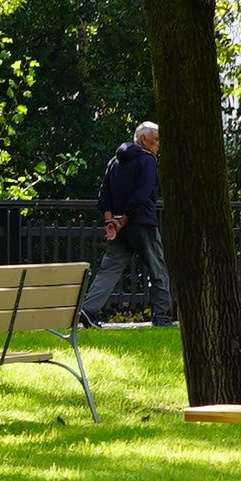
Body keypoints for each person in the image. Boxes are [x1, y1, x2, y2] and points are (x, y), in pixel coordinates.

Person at [79, 118, 172, 327]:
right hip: (142, 224)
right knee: (158, 269)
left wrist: (110, 221)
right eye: (156, 140)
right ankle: (162, 317)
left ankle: (88, 310)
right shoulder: (148, 160)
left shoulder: (114, 162)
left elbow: (104, 196)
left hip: (121, 226)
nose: (158, 145)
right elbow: (141, 196)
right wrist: (120, 222)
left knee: (109, 270)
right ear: (144, 139)